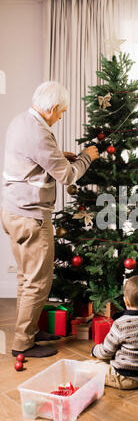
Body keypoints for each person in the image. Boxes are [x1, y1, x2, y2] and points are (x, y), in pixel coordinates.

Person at [1, 81, 100, 358]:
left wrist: (60, 156)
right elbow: (67, 176)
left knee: (25, 277)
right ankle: (23, 343)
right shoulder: (39, 133)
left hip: (12, 211)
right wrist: (85, 157)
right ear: (53, 108)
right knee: (38, 281)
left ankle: (28, 329)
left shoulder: (21, 121)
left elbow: (32, 160)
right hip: (31, 217)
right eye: (62, 112)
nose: (60, 117)